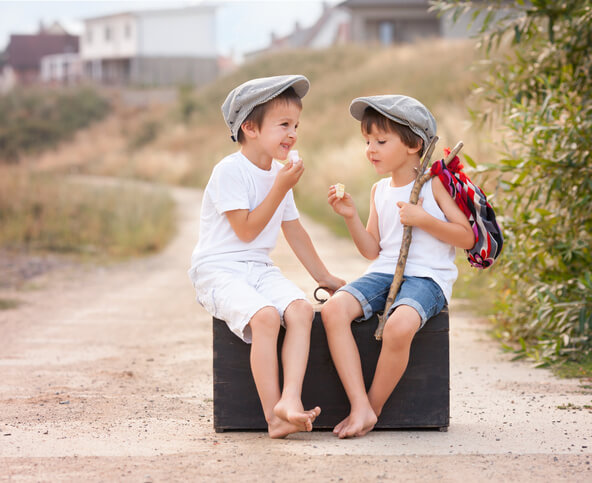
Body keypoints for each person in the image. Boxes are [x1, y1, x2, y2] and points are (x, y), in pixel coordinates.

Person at [189, 75, 345, 438]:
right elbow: (246, 230)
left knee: (301, 310)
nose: (292, 134)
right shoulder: (230, 171)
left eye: (296, 126)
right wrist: (280, 187)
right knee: (264, 318)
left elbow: (294, 231)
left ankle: (289, 400)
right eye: (283, 125)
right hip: (219, 270)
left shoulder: (278, 173)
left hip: (257, 269)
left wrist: (325, 278)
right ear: (250, 128)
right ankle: (272, 418)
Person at [322, 95, 475, 438]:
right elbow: (372, 249)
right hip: (384, 271)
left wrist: (423, 219)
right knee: (333, 311)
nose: (370, 149)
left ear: (414, 144)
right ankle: (357, 402)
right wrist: (350, 217)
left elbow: (466, 237)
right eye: (367, 142)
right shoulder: (379, 190)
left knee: (398, 326)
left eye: (380, 141)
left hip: (427, 277)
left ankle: (371, 410)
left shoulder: (434, 185)